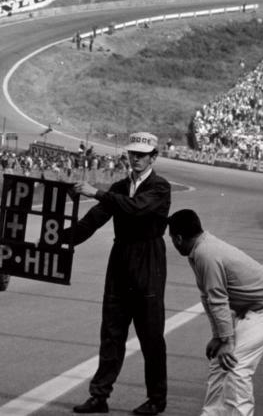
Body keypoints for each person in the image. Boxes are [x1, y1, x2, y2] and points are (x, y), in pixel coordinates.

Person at [64, 131, 171, 415]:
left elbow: (137, 209)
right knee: (111, 333)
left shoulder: (160, 187)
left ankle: (156, 400)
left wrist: (98, 193)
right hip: (121, 258)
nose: (135, 159)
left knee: (151, 336)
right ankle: (99, 396)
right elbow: (92, 222)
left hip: (148, 262)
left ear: (154, 157)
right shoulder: (120, 187)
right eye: (132, 154)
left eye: (142, 155)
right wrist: (57, 239)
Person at [168, 208, 263, 415]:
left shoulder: (206, 254)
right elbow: (208, 298)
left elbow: (218, 300)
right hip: (253, 307)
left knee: (236, 364)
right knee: (220, 360)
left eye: (172, 239)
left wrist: (227, 340)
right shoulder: (200, 248)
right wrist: (219, 338)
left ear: (178, 238)